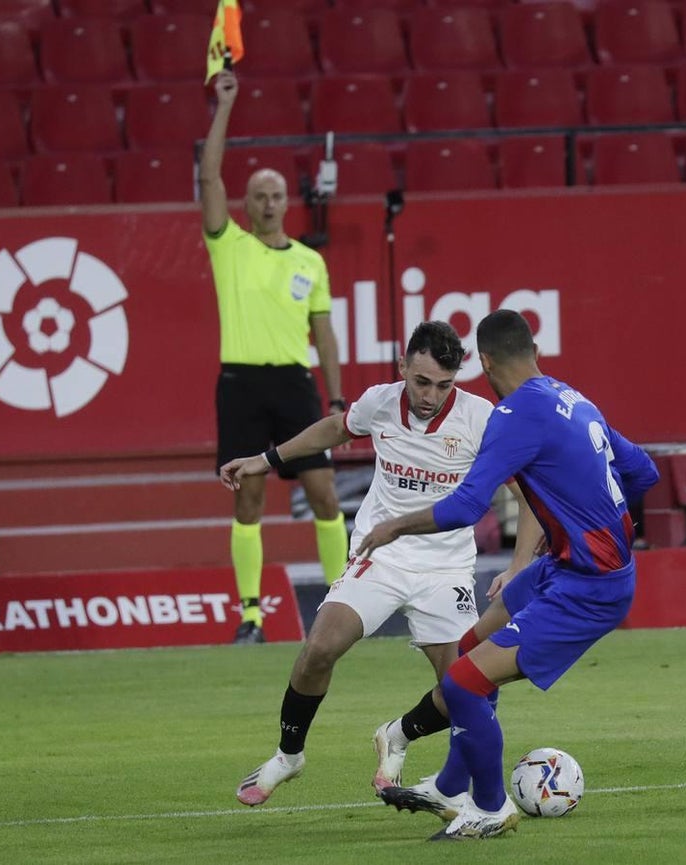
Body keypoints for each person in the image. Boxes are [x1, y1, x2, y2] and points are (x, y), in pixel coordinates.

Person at [355, 309, 660, 841]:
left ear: (487, 361)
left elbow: (466, 507)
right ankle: (451, 786)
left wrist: (393, 526)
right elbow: (642, 472)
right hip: (564, 566)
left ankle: (491, 807)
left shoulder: (514, 415)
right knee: (470, 644)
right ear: (533, 351)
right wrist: (588, 524)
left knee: (463, 680)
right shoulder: (572, 398)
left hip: (589, 588)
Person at [219, 321, 540, 807]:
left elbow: (528, 498)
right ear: (403, 368)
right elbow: (335, 428)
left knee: (467, 691)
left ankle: (400, 737)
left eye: (444, 385)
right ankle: (288, 756)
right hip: (381, 553)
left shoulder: (481, 418)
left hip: (446, 569)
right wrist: (266, 459)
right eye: (422, 381)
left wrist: (517, 566)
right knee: (319, 648)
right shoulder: (380, 401)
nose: (431, 395)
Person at [200, 68, 350, 644]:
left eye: (276, 194)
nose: (267, 202)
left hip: (294, 384)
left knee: (324, 494)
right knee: (250, 496)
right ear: (247, 202)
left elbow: (325, 333)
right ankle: (252, 615)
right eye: (258, 195)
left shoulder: (310, 262)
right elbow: (208, 174)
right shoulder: (229, 246)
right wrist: (224, 107)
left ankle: (339, 606)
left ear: (288, 201)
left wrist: (335, 397)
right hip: (239, 383)